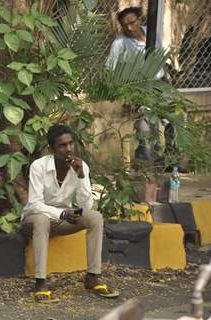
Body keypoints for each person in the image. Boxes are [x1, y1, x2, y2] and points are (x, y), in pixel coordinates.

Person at [21, 124, 119, 301]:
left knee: (95, 217)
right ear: (51, 149)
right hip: (35, 219)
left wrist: (81, 176)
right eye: (62, 145)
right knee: (42, 220)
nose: (69, 149)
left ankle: (92, 276)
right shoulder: (39, 166)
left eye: (71, 144)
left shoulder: (81, 166)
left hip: (63, 218)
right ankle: (40, 282)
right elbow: (35, 204)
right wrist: (62, 214)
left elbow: (86, 205)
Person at [106, 7, 183, 172]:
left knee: (176, 117)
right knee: (146, 125)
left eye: (132, 22)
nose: (129, 27)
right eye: (124, 25)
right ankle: (146, 165)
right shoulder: (120, 43)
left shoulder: (151, 32)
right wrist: (126, 91)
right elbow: (109, 70)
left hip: (161, 82)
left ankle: (173, 160)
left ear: (139, 19)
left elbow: (160, 56)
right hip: (140, 87)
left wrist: (166, 78)